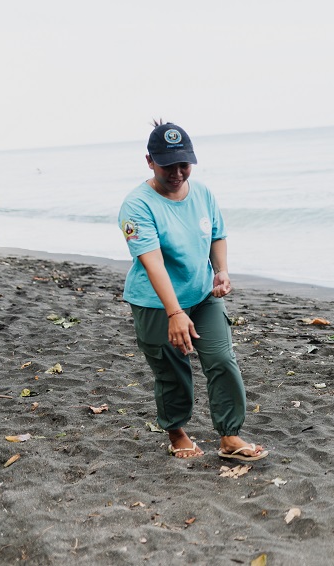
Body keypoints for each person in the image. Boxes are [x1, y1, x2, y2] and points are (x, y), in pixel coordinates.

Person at [118, 121, 268, 461]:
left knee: (221, 361)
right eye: (168, 164)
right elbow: (153, 262)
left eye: (183, 164)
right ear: (149, 161)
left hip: (202, 296)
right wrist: (174, 313)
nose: (177, 172)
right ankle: (176, 431)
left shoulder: (202, 193)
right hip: (156, 304)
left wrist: (222, 271)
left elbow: (217, 234)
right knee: (172, 373)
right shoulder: (137, 206)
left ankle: (229, 436)